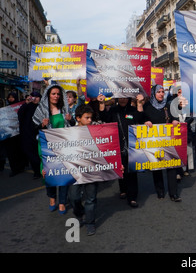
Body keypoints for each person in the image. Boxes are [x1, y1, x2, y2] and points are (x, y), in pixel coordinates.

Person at [32, 83, 74, 214]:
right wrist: (42, 125)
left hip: (63, 147)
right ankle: (52, 198)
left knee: (64, 173)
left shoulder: (65, 109)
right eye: (53, 93)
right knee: (49, 173)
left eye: (58, 94)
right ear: (48, 95)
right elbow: (34, 127)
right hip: (47, 148)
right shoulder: (41, 110)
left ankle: (62, 202)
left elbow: (72, 127)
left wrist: (70, 120)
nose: (56, 96)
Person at [98, 94, 146, 207]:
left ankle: (132, 197)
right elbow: (104, 117)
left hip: (132, 145)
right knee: (121, 168)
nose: (123, 99)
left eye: (125, 97)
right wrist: (101, 103)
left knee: (132, 172)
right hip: (117, 144)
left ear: (129, 98)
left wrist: (139, 103)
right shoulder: (113, 110)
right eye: (121, 97)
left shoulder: (133, 109)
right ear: (117, 99)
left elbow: (140, 118)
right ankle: (123, 189)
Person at [143, 84, 182, 202]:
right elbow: (140, 119)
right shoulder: (147, 106)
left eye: (162, 92)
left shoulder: (168, 105)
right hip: (154, 142)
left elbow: (175, 117)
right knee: (157, 167)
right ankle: (160, 191)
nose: (161, 94)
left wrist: (175, 120)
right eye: (158, 92)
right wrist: (145, 122)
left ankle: (173, 193)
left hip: (168, 140)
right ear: (153, 94)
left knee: (172, 167)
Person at [68, 104, 98, 235]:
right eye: (87, 118)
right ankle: (79, 214)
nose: (90, 121)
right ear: (78, 118)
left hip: (92, 170)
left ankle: (90, 223)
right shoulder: (68, 133)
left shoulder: (96, 131)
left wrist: (115, 164)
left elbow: (108, 150)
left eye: (91, 118)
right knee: (74, 197)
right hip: (75, 172)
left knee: (91, 198)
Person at [17, 91, 42, 179]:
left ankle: (41, 170)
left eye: (37, 97)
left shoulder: (41, 107)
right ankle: (36, 171)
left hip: (39, 133)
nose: (35, 98)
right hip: (27, 134)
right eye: (33, 96)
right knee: (30, 153)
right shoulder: (27, 106)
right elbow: (20, 115)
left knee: (39, 153)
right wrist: (26, 103)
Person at [4, 92, 28, 176]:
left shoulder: (19, 107)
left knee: (19, 151)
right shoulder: (5, 109)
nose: (10, 99)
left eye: (12, 97)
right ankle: (14, 168)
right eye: (9, 97)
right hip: (9, 134)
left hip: (18, 134)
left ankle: (21, 166)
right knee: (11, 153)